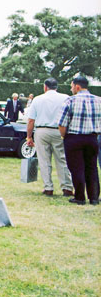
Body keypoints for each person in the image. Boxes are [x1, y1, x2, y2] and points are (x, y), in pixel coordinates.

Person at [26, 78, 73, 197]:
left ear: (45, 87)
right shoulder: (65, 97)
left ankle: (48, 187)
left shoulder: (38, 99)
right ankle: (67, 187)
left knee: (44, 160)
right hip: (59, 130)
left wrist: (28, 137)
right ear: (56, 87)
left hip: (42, 130)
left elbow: (31, 120)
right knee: (62, 159)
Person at [58, 76, 101, 205]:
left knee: (77, 168)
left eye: (71, 86)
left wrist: (63, 136)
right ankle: (93, 197)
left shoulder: (70, 101)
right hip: (92, 138)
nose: (71, 89)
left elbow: (62, 123)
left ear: (77, 87)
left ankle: (80, 197)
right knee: (92, 167)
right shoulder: (98, 100)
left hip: (74, 137)